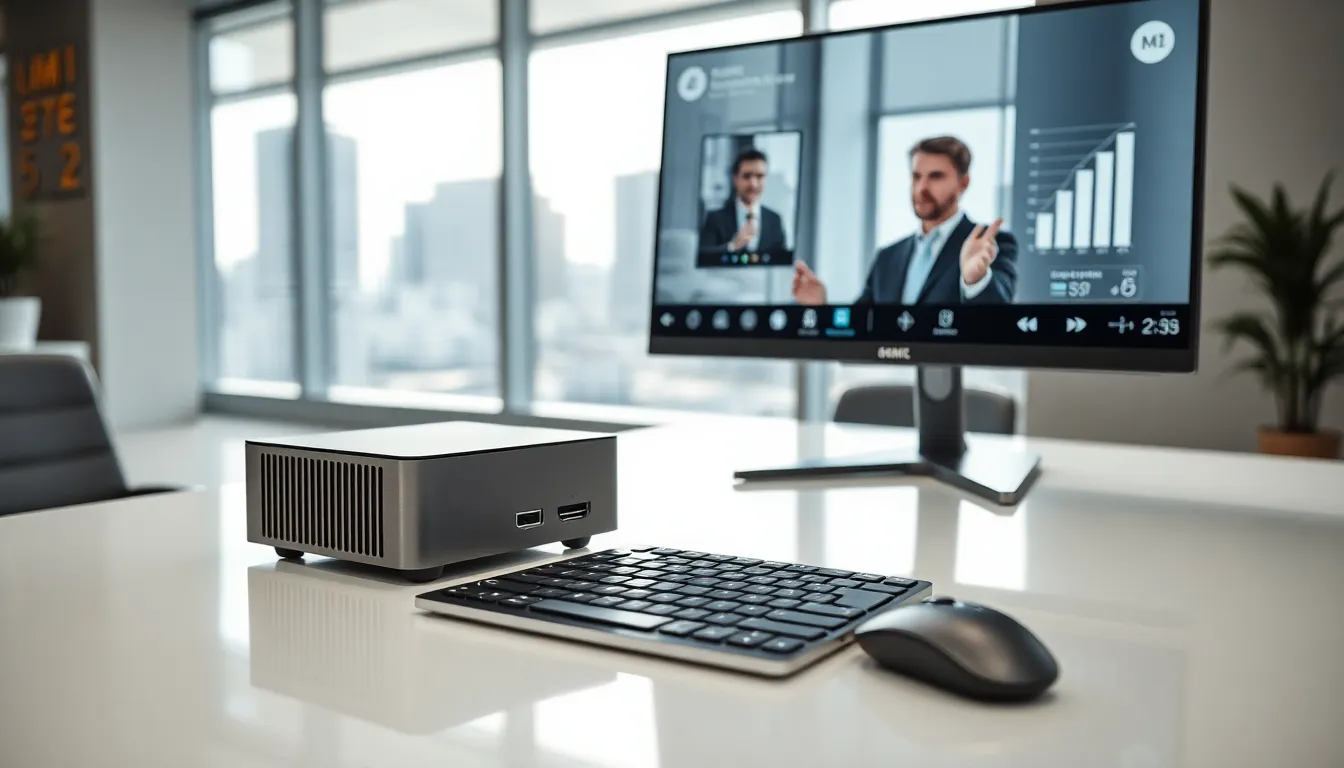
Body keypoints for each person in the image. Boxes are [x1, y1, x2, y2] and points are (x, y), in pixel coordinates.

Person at [792, 136, 1017, 305]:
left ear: (963, 183)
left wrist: (975, 279)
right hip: (894, 369)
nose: (922, 188)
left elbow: (996, 319)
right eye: (916, 176)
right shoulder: (887, 258)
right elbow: (861, 329)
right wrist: (820, 307)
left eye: (935, 176)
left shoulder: (990, 244)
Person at [698, 148, 790, 264]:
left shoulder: (774, 220)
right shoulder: (715, 218)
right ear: (735, 179)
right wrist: (732, 246)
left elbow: (783, 263)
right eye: (747, 176)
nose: (753, 184)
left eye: (759, 176)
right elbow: (703, 259)